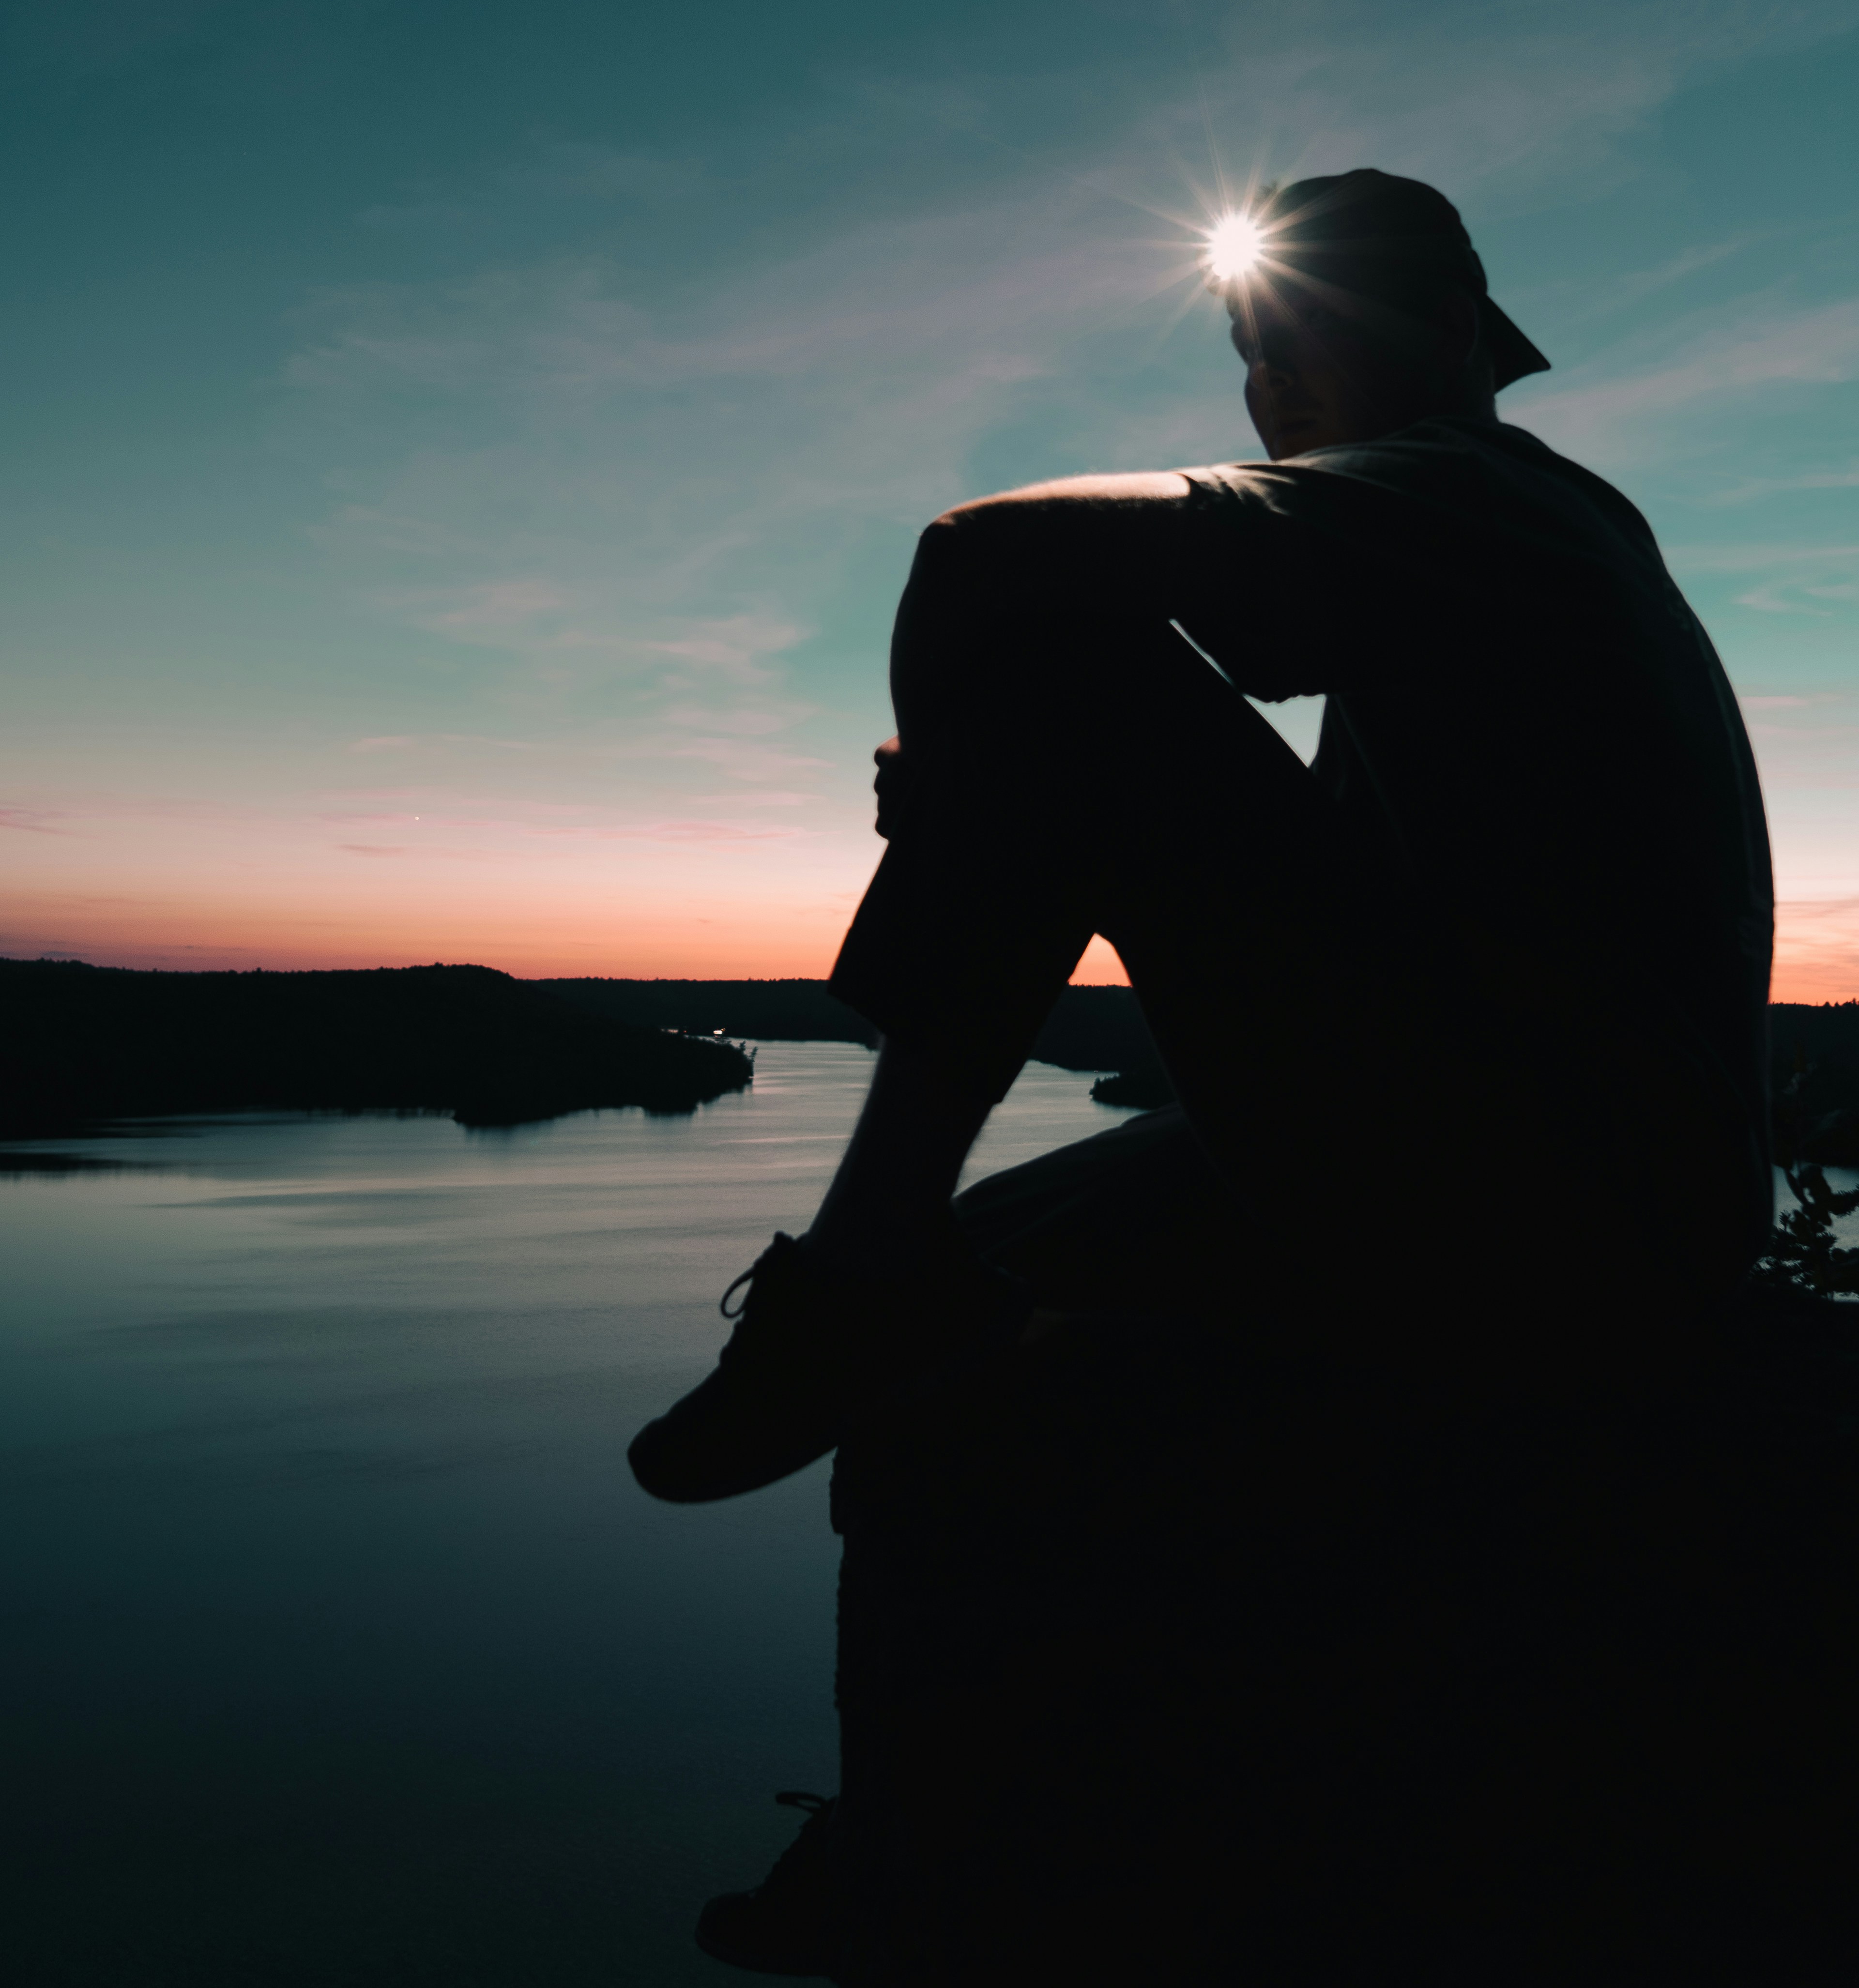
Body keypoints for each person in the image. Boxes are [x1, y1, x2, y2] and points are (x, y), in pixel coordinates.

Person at [628, 169, 1773, 1507]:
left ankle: (857, 1283)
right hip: (1619, 1202)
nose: (1271, 379)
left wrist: (961, 769)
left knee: (1058, 659)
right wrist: (987, 793)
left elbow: (977, 556)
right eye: (1247, 351)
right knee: (989, 1258)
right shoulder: (1508, 556)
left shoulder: (1475, 493)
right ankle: (899, 1280)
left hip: (1563, 1208)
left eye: (1303, 335)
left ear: (1451, 327)